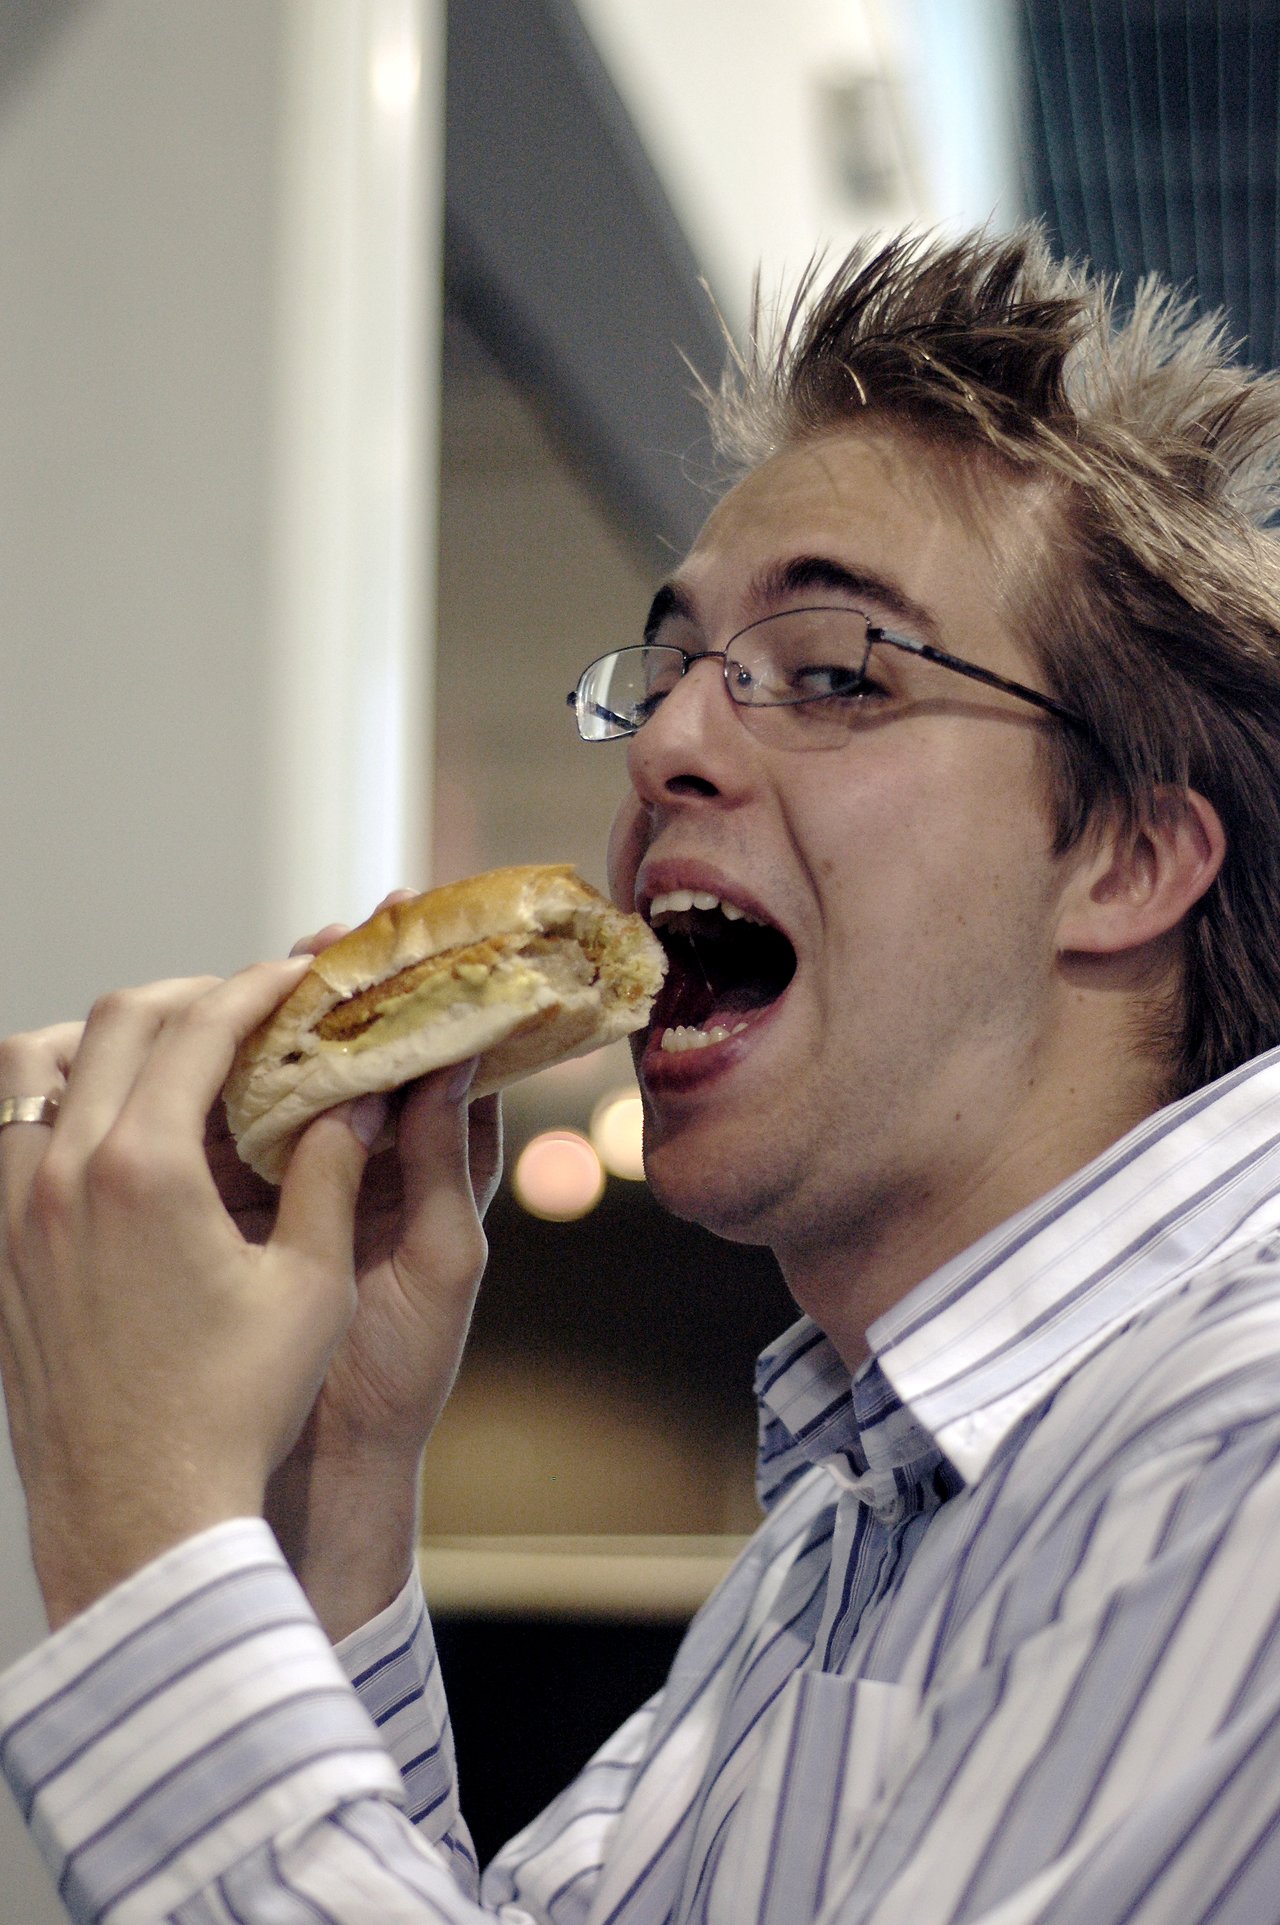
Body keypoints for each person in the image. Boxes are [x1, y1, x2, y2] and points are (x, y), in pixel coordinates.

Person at [4, 226, 1280, 1925]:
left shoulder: (1234, 1454)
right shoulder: (858, 1526)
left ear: (1125, 855)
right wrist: (339, 1467)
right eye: (670, 669)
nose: (671, 741)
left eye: (831, 674)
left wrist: (142, 1524)